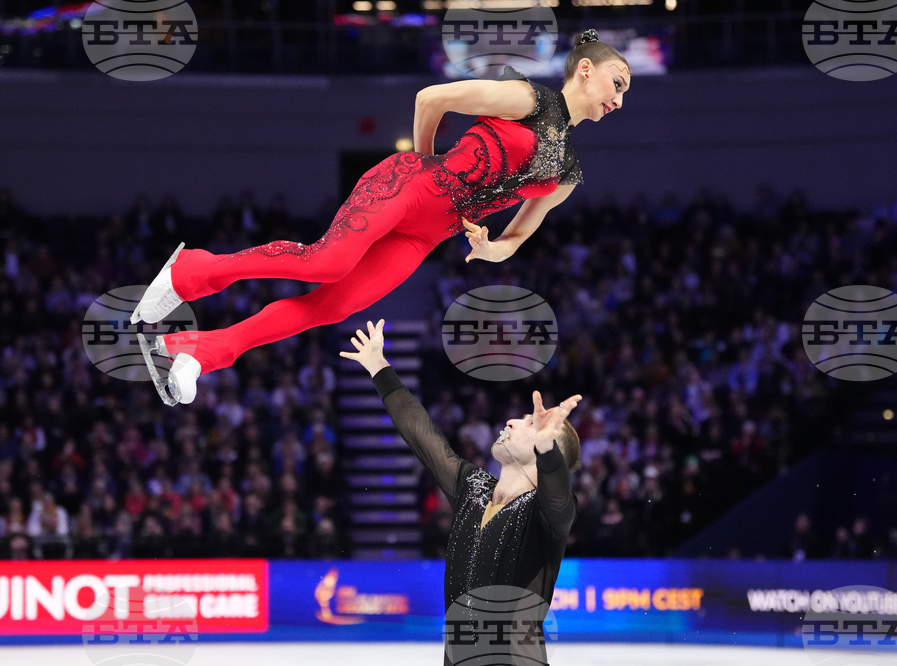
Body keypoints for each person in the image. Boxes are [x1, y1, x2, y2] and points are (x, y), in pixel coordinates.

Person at [131, 29, 631, 405]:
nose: (619, 99)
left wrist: (488, 247)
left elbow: (518, 235)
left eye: (625, 92)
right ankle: (191, 271)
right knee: (325, 263)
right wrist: (429, 166)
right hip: (408, 186)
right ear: (585, 69)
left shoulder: (566, 173)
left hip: (425, 237)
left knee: (331, 307)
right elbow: (430, 98)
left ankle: (199, 351)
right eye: (617, 82)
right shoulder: (527, 99)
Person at [341, 319, 582, 666]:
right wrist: (380, 367)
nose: (513, 421)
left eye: (531, 424)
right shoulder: (474, 488)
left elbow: (558, 499)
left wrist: (547, 452)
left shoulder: (545, 515)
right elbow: (424, 438)